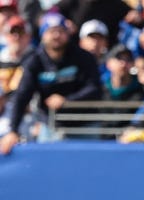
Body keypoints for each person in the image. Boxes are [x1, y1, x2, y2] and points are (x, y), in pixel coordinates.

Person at [0, 12, 102, 156]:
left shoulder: (83, 57)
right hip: (51, 126)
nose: (56, 36)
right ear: (43, 35)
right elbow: (22, 96)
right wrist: (12, 131)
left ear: (67, 34)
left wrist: (67, 101)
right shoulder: (34, 61)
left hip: (84, 126)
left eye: (60, 31)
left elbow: (94, 89)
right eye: (51, 31)